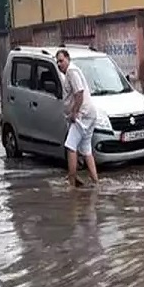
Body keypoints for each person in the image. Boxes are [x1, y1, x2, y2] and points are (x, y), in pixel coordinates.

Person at [56, 49, 99, 187]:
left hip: (83, 114)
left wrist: (74, 113)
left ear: (68, 59)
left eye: (61, 60)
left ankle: (72, 181)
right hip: (89, 113)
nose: (59, 64)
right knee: (86, 149)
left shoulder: (71, 71)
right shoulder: (71, 72)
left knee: (70, 146)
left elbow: (79, 93)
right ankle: (96, 182)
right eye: (57, 61)